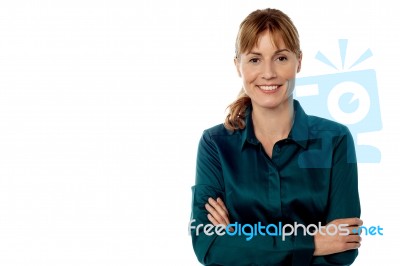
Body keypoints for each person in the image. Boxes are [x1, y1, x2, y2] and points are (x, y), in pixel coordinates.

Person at [189, 8, 362, 266]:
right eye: (255, 59)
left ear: (299, 61)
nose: (268, 73)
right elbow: (210, 245)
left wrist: (240, 240)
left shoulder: (335, 140)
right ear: (238, 65)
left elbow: (343, 247)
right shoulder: (215, 145)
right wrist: (313, 243)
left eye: (281, 58)